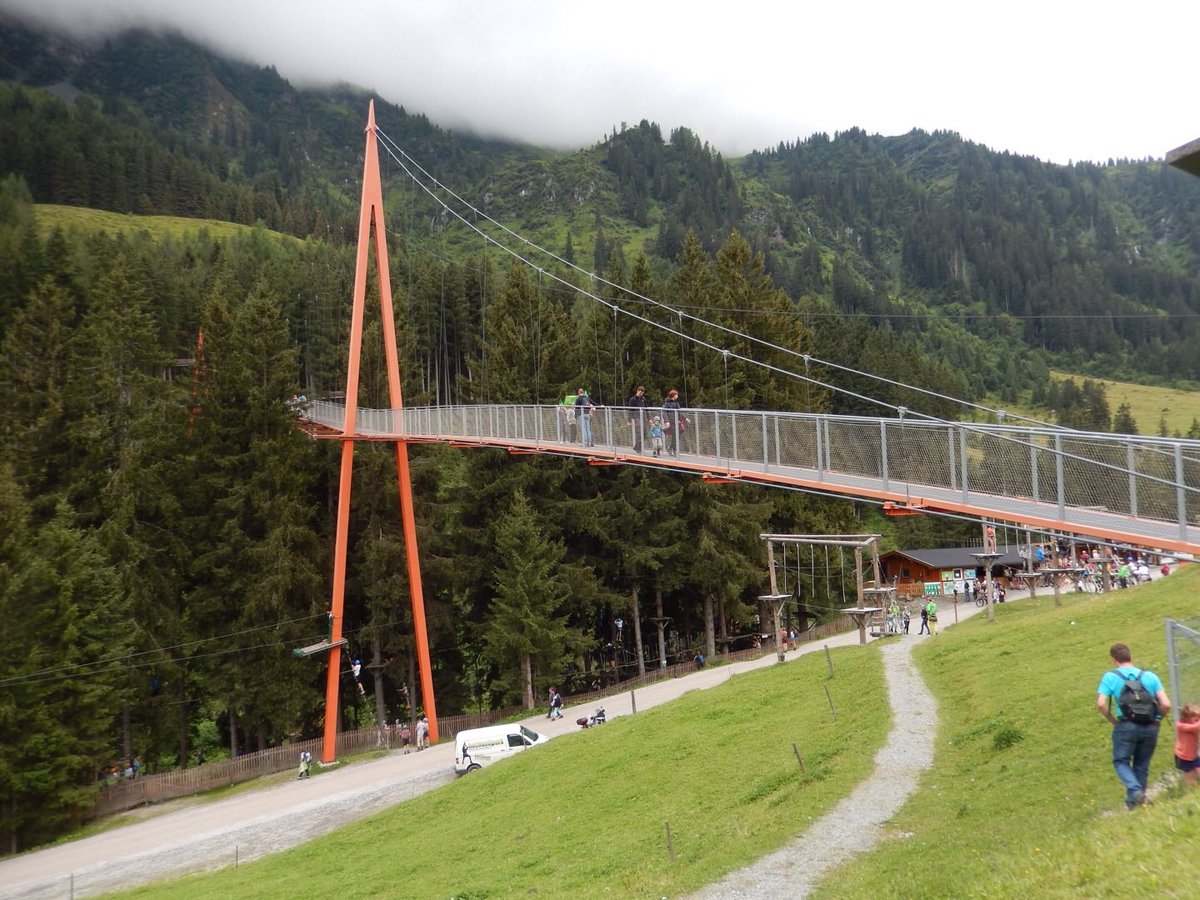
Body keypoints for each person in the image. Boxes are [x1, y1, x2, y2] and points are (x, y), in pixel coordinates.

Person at [1095, 642, 1171, 809]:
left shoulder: (1110, 677)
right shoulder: (1150, 676)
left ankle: (1136, 792)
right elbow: (1166, 704)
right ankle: (1137, 805)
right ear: (1131, 657)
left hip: (1126, 725)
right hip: (1150, 726)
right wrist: (1157, 719)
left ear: (1114, 660)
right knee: (1141, 765)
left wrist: (1114, 722)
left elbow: (1101, 704)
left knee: (1121, 761)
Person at [1174, 703, 1200, 787]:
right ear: (1185, 717)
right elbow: (1195, 727)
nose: (1196, 719)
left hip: (1194, 755)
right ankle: (1192, 789)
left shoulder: (1194, 724)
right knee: (1189, 778)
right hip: (1183, 756)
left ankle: (1196, 787)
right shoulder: (1180, 725)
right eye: (1194, 717)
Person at [627, 385, 649, 451]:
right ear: (637, 391)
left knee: (645, 433)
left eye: (642, 393)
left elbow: (646, 409)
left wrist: (649, 418)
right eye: (640, 393)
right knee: (639, 432)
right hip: (636, 417)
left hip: (644, 417)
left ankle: (637, 446)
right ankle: (638, 448)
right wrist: (629, 420)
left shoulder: (644, 399)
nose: (641, 394)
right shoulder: (632, 399)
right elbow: (630, 410)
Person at [662, 389, 683, 456]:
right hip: (671, 422)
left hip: (676, 421)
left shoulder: (676, 403)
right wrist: (666, 421)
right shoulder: (667, 403)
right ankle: (674, 450)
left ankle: (671, 448)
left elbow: (679, 412)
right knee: (675, 435)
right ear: (673, 395)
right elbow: (664, 412)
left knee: (678, 434)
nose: (677, 396)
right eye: (676, 394)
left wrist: (684, 418)